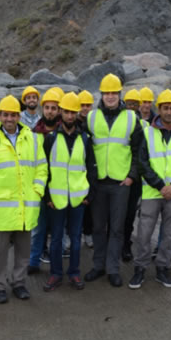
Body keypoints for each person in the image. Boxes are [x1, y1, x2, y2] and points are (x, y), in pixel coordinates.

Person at [0, 95, 48, 304]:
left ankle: (19, 283)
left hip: (25, 207)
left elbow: (42, 167)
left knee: (23, 251)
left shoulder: (32, 139)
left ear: (19, 116)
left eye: (13, 115)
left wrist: (38, 190)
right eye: (5, 115)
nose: (9, 119)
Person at [130, 90, 171, 289]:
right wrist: (160, 185)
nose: (169, 112)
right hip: (152, 191)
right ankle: (140, 268)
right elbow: (142, 161)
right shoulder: (147, 132)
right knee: (144, 233)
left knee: (169, 234)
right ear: (159, 109)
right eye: (165, 108)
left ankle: (163, 269)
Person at [85, 73, 143, 287]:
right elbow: (84, 150)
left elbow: (138, 150)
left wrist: (131, 176)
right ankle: (98, 265)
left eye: (114, 93)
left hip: (120, 184)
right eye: (106, 93)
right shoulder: (91, 118)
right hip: (98, 183)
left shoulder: (130, 118)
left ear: (120, 94)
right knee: (98, 227)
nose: (110, 96)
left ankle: (113, 268)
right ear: (101, 94)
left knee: (117, 229)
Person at [43, 92, 96, 292]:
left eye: (73, 112)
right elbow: (44, 169)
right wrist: (47, 197)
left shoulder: (85, 139)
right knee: (56, 239)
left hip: (77, 199)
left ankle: (74, 273)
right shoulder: (50, 139)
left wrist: (89, 196)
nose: (70, 116)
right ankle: (55, 274)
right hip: (56, 199)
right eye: (66, 112)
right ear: (61, 113)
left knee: (75, 239)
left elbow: (91, 168)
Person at [28, 88, 62, 273]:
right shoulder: (34, 133)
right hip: (39, 188)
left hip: (58, 188)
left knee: (57, 231)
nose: (50, 111)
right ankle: (34, 262)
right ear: (43, 109)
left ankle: (56, 266)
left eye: (54, 108)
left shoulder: (63, 132)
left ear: (59, 110)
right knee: (38, 229)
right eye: (47, 107)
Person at [122, 88, 146, 262]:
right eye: (128, 103)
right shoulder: (119, 123)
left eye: (134, 104)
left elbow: (142, 153)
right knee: (117, 215)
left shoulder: (145, 125)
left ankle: (125, 244)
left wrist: (135, 174)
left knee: (129, 215)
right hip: (120, 175)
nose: (131, 107)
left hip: (135, 178)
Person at [77, 89, 95, 248]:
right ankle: (75, 234)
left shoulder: (94, 122)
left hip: (91, 166)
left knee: (89, 204)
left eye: (88, 105)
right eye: (82, 105)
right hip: (76, 167)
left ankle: (88, 233)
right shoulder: (73, 122)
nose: (85, 108)